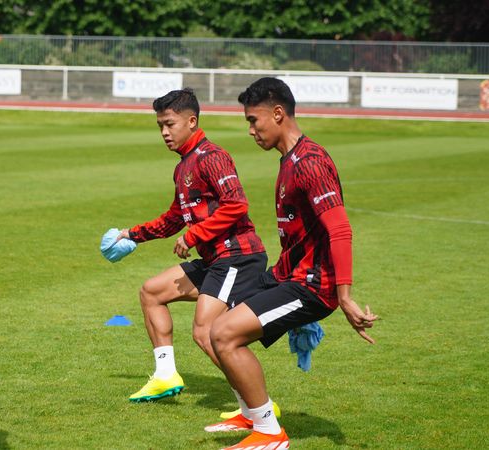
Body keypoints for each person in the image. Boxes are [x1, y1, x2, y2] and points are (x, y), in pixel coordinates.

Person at [208, 77, 378, 450]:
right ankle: (252, 414)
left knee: (224, 334)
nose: (251, 130)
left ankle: (270, 434)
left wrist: (344, 296)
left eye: (254, 120)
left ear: (279, 114)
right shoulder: (290, 160)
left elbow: (340, 230)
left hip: (314, 286)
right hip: (289, 275)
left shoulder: (311, 163)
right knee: (212, 327)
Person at [116, 88, 269, 406]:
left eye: (169, 124)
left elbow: (236, 204)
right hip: (217, 259)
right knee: (151, 292)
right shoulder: (183, 166)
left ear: (191, 121)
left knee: (205, 331)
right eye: (160, 125)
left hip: (238, 256)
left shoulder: (212, 156)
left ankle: (254, 405)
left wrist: (194, 235)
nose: (164, 132)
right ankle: (165, 375)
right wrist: (131, 234)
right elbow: (175, 218)